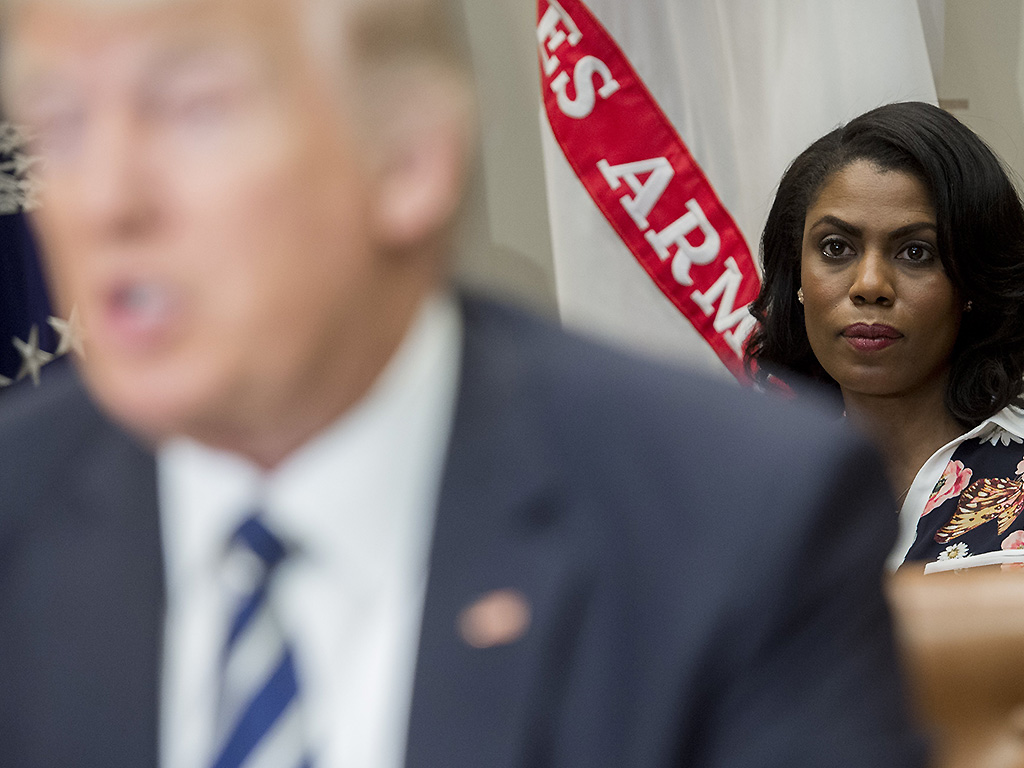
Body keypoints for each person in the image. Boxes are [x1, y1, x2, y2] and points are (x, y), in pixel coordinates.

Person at [0, 1, 926, 766]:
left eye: (193, 110)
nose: (105, 198)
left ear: (408, 162)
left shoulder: (735, 523)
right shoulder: (18, 509)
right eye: (62, 125)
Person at [746, 101, 1024, 569]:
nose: (870, 285)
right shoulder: (748, 494)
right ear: (795, 277)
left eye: (916, 252)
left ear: (973, 283)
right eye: (836, 248)